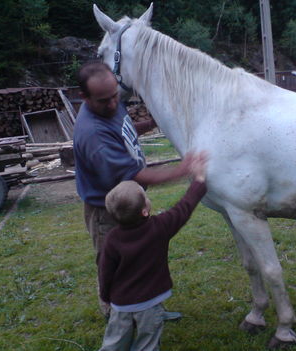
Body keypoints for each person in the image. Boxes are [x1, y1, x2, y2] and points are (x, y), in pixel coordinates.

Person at [73, 62, 199, 317]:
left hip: (128, 198)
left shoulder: (109, 104)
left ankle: (148, 310)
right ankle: (117, 320)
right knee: (114, 265)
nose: (112, 104)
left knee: (142, 258)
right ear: (84, 97)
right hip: (107, 209)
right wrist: (181, 170)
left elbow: (123, 128)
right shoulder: (93, 135)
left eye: (114, 96)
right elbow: (134, 175)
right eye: (103, 101)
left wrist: (151, 123)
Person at [97, 154, 207, 351]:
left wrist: (106, 296)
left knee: (114, 342)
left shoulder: (112, 239)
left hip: (121, 305)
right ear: (145, 211)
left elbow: (105, 272)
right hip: (150, 304)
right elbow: (185, 207)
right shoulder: (159, 228)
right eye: (145, 196)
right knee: (147, 344)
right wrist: (199, 180)